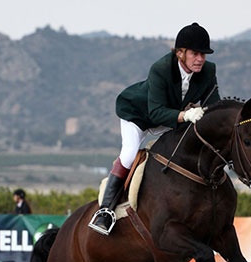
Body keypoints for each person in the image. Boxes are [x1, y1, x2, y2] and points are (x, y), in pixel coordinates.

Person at [89, 22, 220, 235]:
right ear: (180, 53)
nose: (200, 59)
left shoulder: (208, 71)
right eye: (195, 53)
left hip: (168, 120)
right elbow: (156, 113)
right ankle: (105, 211)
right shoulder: (161, 69)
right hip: (138, 115)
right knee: (130, 154)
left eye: (203, 54)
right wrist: (185, 115)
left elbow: (213, 106)